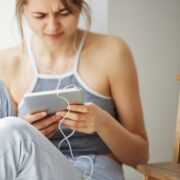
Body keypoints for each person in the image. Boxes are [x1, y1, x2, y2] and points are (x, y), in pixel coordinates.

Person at [0, 0, 149, 179]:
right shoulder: (6, 63)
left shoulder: (112, 52)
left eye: (64, 13)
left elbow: (140, 157)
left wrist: (103, 123)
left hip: (95, 173)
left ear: (79, 7)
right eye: (40, 16)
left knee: (13, 131)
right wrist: (29, 133)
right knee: (12, 131)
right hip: (32, 173)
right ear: (23, 10)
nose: (53, 26)